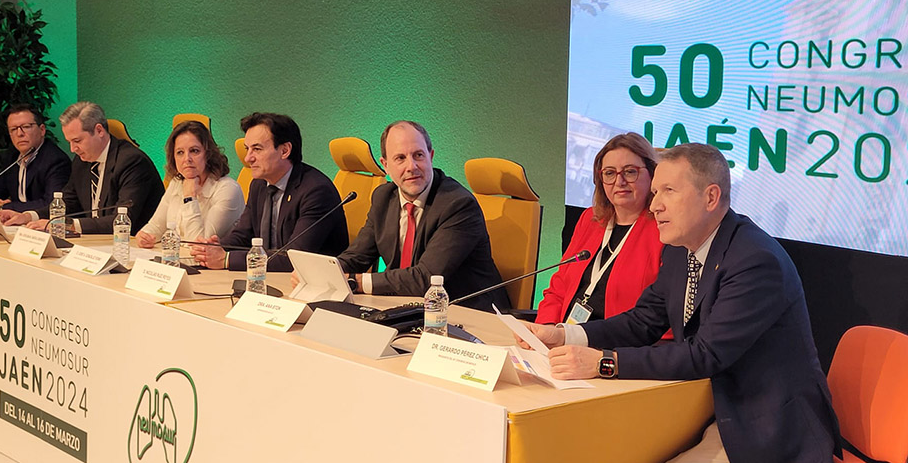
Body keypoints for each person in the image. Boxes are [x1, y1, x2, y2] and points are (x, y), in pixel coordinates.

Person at [517, 143, 841, 462]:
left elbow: (706, 353)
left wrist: (604, 362)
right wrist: (563, 334)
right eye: (655, 192)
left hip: (764, 426)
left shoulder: (755, 260)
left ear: (711, 197)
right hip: (701, 408)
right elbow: (643, 321)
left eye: (668, 191)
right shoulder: (679, 249)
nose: (655, 205)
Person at [336, 120, 509, 312]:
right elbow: (357, 256)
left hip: (468, 315)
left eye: (418, 155)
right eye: (400, 158)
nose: (412, 166)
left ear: (431, 156)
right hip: (408, 309)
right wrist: (325, 273)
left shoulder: (458, 204)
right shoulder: (383, 197)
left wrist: (356, 282)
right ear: (385, 165)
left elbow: (425, 279)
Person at [191, 112, 348, 272]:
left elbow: (294, 257)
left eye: (257, 149)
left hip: (309, 283)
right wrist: (216, 248)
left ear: (285, 150)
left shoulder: (316, 191)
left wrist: (226, 259)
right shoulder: (259, 184)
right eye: (247, 149)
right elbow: (243, 235)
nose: (248, 158)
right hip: (268, 277)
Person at [536, 133, 663, 326]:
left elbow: (660, 316)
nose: (619, 182)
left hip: (615, 346)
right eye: (610, 173)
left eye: (630, 171)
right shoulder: (591, 219)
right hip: (563, 336)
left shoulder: (664, 230)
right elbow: (559, 287)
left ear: (652, 174)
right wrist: (546, 328)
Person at [0, 101, 164, 234]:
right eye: (69, 142)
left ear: (99, 130)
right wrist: (28, 216)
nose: (72, 149)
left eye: (77, 141)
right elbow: (68, 202)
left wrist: (66, 225)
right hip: (95, 243)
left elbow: (121, 220)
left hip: (133, 246)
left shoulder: (131, 162)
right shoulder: (81, 161)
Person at [136, 120, 244, 247]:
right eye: (180, 152)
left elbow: (199, 244)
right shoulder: (176, 183)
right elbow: (156, 226)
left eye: (194, 151)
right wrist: (144, 235)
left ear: (208, 154)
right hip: (178, 259)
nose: (187, 159)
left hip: (211, 264)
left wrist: (189, 198)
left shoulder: (228, 189)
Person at [0, 103, 71, 217]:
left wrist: (5, 207)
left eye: (26, 127)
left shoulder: (56, 160)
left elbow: (52, 204)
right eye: (13, 129)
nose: (19, 134)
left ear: (42, 130)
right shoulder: (13, 156)